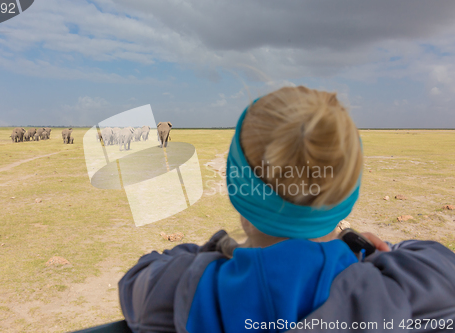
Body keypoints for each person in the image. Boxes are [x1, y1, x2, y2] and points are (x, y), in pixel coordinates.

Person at [118, 86, 455, 332]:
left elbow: (138, 277)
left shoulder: (187, 289)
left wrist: (222, 249)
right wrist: (361, 245)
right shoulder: (404, 289)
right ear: (347, 192)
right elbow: (435, 261)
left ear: (238, 189)